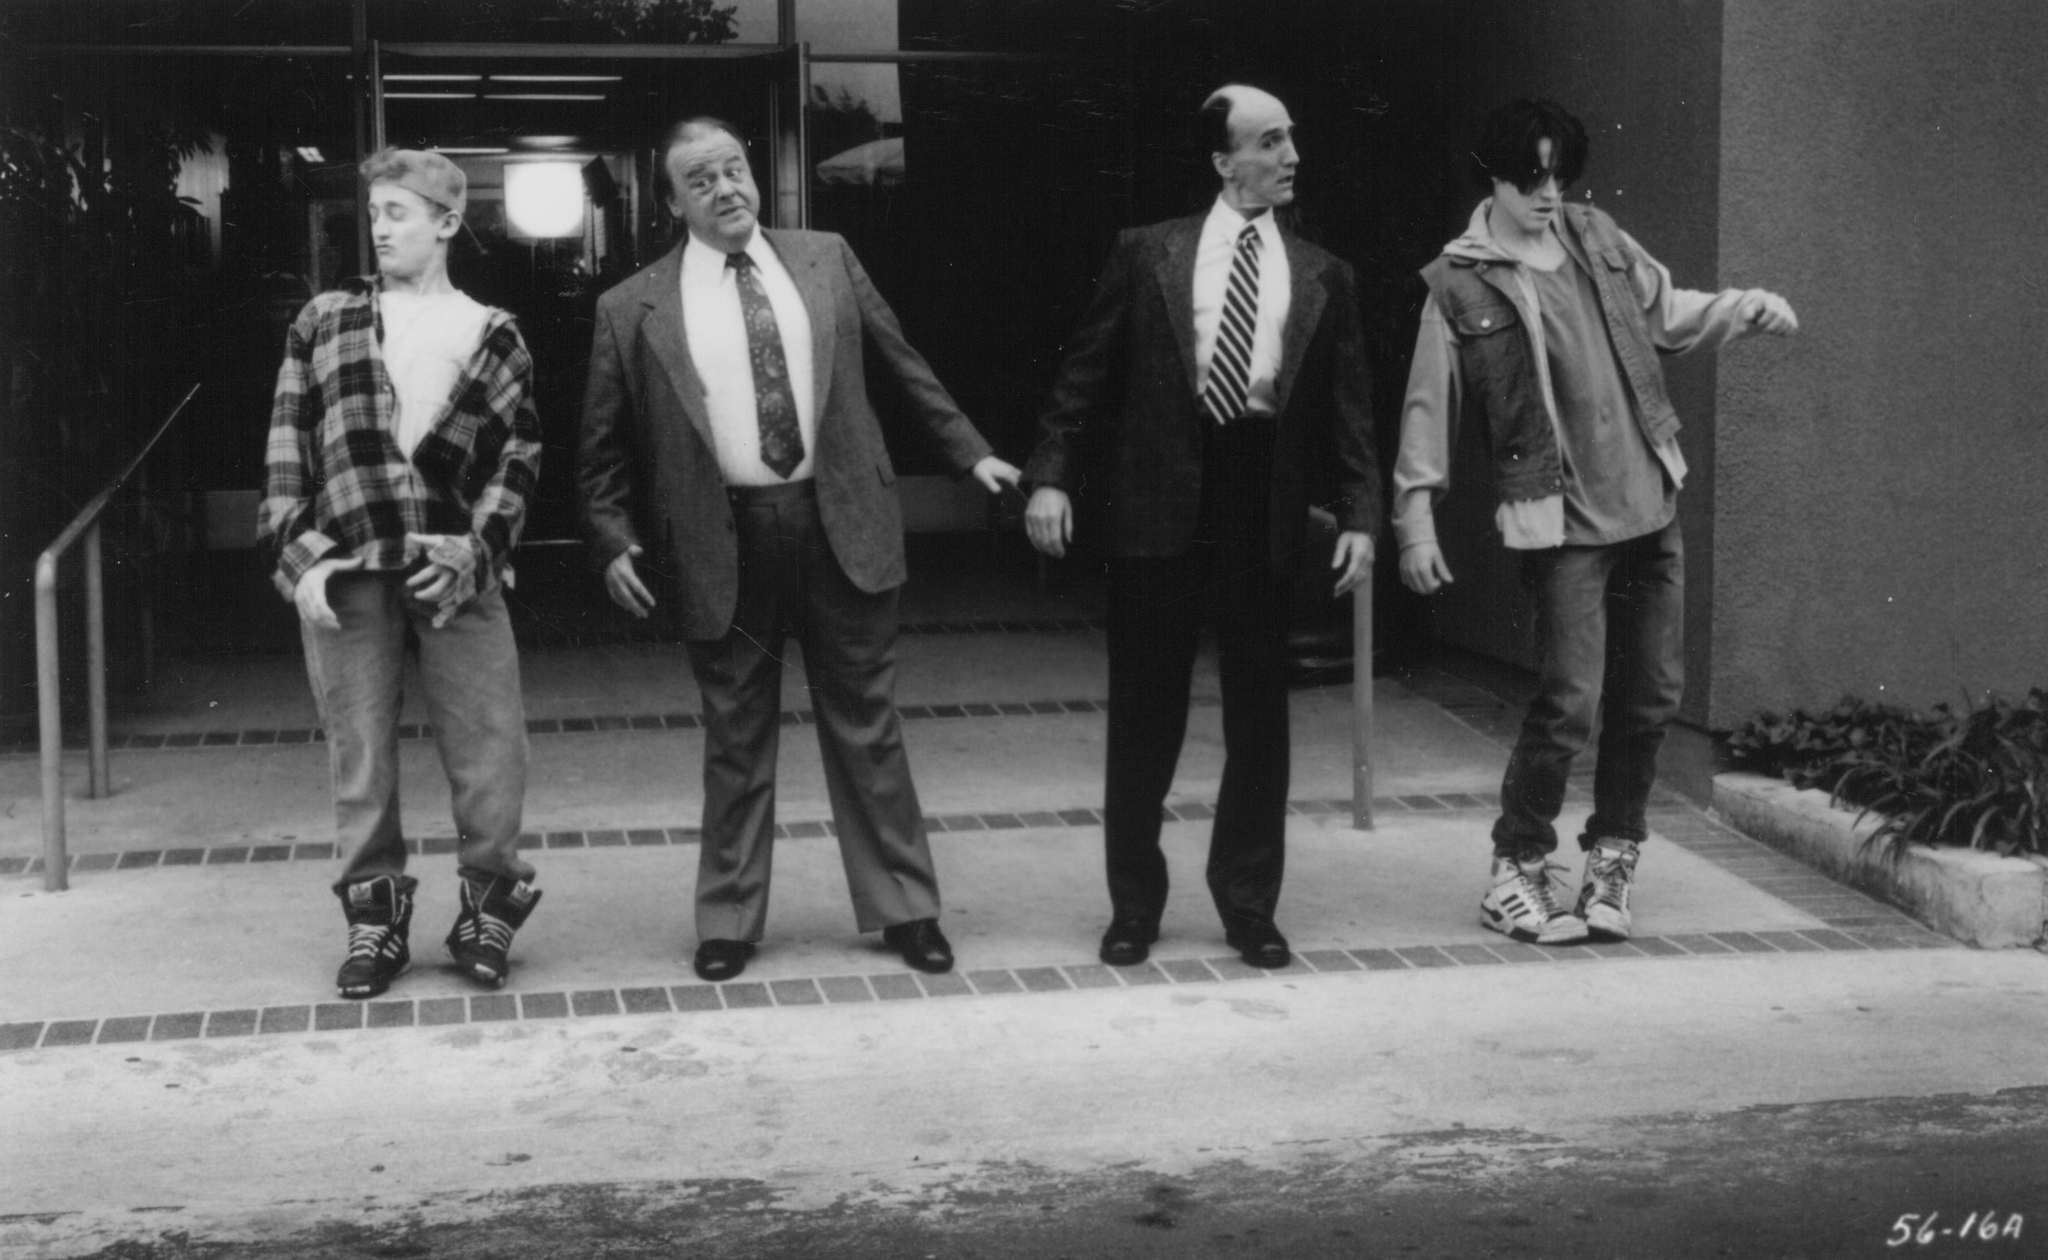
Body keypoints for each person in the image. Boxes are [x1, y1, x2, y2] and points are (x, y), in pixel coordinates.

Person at [578, 117, 1022, 983]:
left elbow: (904, 365)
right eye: (700, 181)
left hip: (839, 523)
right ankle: (730, 918)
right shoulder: (629, 306)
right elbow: (603, 448)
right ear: (672, 201)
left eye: (734, 170)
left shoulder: (825, 257)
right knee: (735, 738)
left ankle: (906, 908)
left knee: (868, 728)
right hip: (720, 539)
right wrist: (610, 538)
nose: (726, 189)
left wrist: (971, 451)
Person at [1393, 98, 1798, 945]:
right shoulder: (1457, 281)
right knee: (1570, 703)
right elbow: (1428, 412)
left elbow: (1668, 311)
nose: (1547, 193)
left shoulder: (1597, 238)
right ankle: (1516, 870)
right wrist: (1416, 524)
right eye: (1528, 176)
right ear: (1493, 177)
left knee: (1650, 699)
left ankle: (1612, 864)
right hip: (1564, 527)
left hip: (1650, 507)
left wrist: (1743, 307)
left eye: (1558, 175)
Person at [1023, 85, 1380, 971]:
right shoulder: (1148, 254)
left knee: (1261, 715)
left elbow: (1350, 414)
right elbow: (1084, 376)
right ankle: (1134, 906)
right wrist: (1051, 478)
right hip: (1156, 501)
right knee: (1146, 714)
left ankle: (1249, 904)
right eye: (1270, 140)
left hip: (1262, 501)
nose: (1292, 153)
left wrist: (1363, 517)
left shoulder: (1325, 273)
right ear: (1224, 161)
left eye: (1293, 135)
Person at [259, 148, 544, 1000]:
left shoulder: (493, 332)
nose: (379, 228)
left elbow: (519, 457)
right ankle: (374, 923)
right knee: (360, 752)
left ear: (448, 223)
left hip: (454, 567)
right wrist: (299, 556)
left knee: (490, 743)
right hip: (350, 567)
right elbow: (286, 449)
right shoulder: (326, 319)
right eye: (375, 212)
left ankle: (487, 910)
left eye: (398, 213)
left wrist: (478, 553)